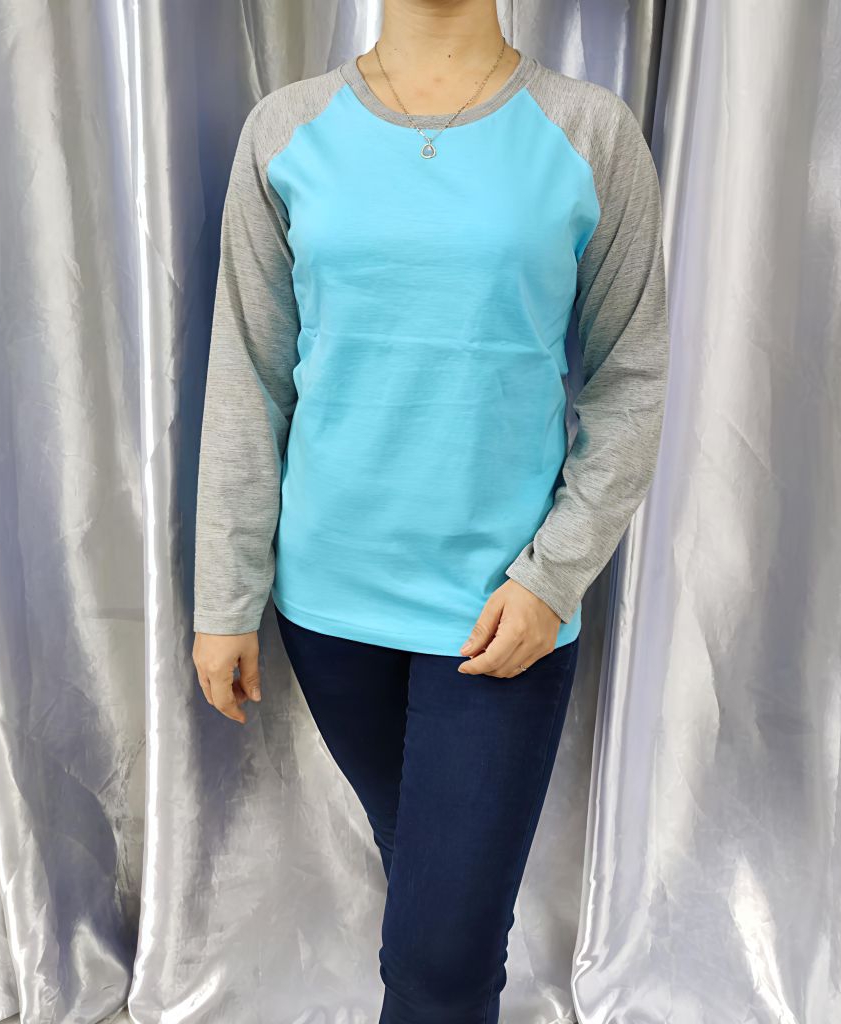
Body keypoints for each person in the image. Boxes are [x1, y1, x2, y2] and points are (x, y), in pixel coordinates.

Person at [191, 2, 669, 1020]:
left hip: (502, 614)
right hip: (328, 607)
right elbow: (250, 374)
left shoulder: (588, 131)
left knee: (439, 961)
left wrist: (552, 579)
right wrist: (224, 596)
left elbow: (629, 381)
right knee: (431, 887)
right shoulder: (285, 129)